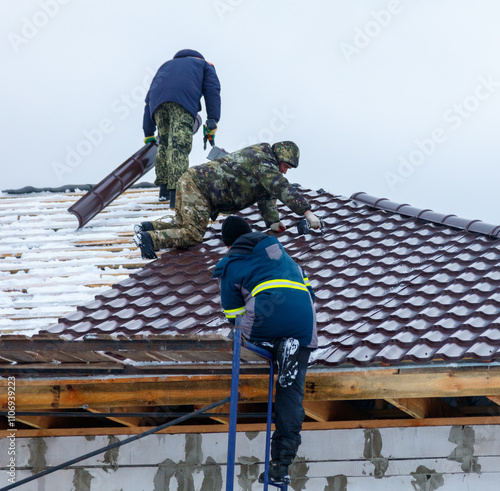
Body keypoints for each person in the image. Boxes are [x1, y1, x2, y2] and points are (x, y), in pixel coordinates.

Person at [213, 215, 318, 485]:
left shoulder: (231, 264)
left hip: (265, 319)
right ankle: (280, 465)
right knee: (290, 395)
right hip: (304, 323)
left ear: (228, 244)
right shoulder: (282, 254)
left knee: (240, 337)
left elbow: (233, 314)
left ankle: (271, 344)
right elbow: (311, 294)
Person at [133, 141, 322, 259]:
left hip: (195, 183)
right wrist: (307, 212)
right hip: (198, 187)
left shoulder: (264, 163)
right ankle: (150, 239)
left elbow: (267, 194)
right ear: (279, 157)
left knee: (184, 223)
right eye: (285, 166)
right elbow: (280, 186)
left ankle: (148, 228)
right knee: (193, 234)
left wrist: (273, 221)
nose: (284, 171)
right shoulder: (264, 162)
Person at [142, 49, 221, 205]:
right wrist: (212, 120)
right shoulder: (205, 65)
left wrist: (149, 132)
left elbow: (148, 98)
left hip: (158, 105)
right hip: (183, 104)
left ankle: (164, 190)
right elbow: (212, 91)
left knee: (164, 143)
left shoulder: (166, 66)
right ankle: (177, 195)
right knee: (178, 145)